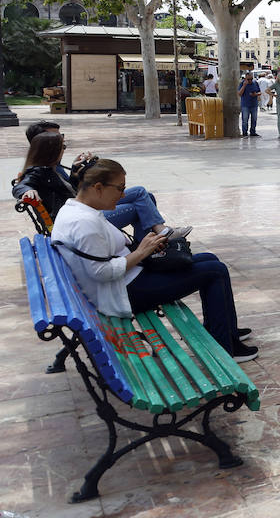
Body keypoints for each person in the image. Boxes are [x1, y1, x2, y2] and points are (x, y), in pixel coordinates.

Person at [50, 158, 256, 362]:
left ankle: (225, 332)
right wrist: (141, 251)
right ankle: (224, 347)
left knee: (210, 260)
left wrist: (145, 248)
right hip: (122, 293)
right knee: (215, 271)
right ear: (98, 188)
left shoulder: (77, 210)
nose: (122, 195)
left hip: (126, 280)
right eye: (119, 188)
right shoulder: (84, 222)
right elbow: (102, 272)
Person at [12, 131, 191, 242]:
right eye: (63, 146)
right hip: (79, 221)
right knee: (140, 197)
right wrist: (27, 190)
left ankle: (151, 241)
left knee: (146, 197)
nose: (64, 149)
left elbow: (71, 190)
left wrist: (75, 169)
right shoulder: (39, 172)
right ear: (50, 150)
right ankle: (156, 238)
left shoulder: (52, 169)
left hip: (80, 212)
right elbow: (21, 185)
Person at [237, 71, 261, 137]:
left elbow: (259, 92)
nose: (250, 80)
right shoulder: (242, 84)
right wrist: (244, 85)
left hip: (254, 104)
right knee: (245, 120)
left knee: (254, 119)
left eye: (251, 79)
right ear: (245, 79)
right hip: (245, 105)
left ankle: (253, 132)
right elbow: (239, 94)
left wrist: (255, 94)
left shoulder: (255, 83)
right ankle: (244, 132)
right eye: (248, 79)